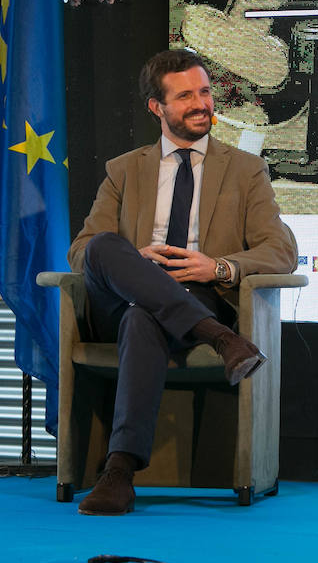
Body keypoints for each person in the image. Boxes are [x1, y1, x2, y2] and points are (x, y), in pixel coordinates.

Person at [67, 49, 298, 516]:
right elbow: (82, 252)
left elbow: (281, 250)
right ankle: (224, 340)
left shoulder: (245, 170)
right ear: (157, 107)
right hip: (122, 296)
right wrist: (137, 259)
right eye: (186, 95)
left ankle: (119, 472)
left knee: (142, 318)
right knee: (108, 248)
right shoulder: (123, 170)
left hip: (197, 293)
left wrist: (218, 268)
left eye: (206, 92)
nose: (202, 104)